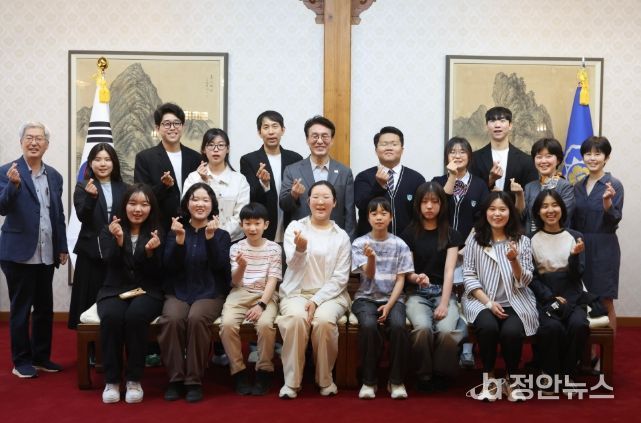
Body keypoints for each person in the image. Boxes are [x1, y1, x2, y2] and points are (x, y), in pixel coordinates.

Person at [0, 121, 68, 378]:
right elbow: (2, 208)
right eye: (29, 138)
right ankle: (21, 361)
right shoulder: (7, 171)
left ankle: (41, 357)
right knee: (21, 309)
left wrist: (62, 246)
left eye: (39, 138)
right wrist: (13, 185)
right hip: (18, 253)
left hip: (46, 252)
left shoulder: (55, 176)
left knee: (44, 309)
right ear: (21, 142)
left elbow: (58, 214)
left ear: (46, 145)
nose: (34, 142)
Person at [277, 181, 351, 399]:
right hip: (297, 293)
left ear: (334, 203)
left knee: (324, 322)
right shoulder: (295, 228)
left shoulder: (341, 236)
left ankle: (325, 379)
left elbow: (340, 278)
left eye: (326, 197)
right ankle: (292, 382)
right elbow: (292, 265)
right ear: (308, 201)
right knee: (296, 319)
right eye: (315, 197)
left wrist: (317, 300)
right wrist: (300, 250)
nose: (320, 202)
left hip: (331, 296)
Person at [158, 182, 231, 403]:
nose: (200, 204)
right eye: (195, 199)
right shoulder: (175, 230)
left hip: (210, 292)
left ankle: (193, 380)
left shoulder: (222, 235)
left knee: (197, 318)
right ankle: (175, 378)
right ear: (187, 204)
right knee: (172, 319)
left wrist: (210, 239)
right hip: (178, 291)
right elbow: (169, 267)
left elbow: (220, 267)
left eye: (205, 200)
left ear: (212, 205)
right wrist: (179, 242)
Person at [462, 191, 538, 402]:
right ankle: (489, 378)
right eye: (492, 209)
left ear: (510, 212)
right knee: (488, 328)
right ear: (485, 212)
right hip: (481, 301)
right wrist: (488, 303)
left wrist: (514, 261)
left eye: (502, 209)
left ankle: (511, 380)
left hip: (516, 300)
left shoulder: (522, 241)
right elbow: (468, 275)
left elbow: (526, 280)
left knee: (511, 332)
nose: (497, 214)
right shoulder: (475, 240)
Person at [97, 184, 163, 404]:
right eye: (132, 203)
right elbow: (109, 262)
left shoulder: (158, 232)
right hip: (114, 289)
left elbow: (160, 272)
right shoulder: (109, 230)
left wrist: (151, 253)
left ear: (151, 208)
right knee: (111, 317)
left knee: (136, 316)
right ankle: (112, 381)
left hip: (147, 289)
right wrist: (118, 241)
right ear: (124, 205)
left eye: (144, 204)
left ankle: (134, 379)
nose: (138, 209)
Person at [400, 182, 464, 392]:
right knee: (422, 328)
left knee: (447, 331)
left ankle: (442, 373)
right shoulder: (409, 234)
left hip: (443, 292)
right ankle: (424, 374)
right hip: (416, 294)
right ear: (418, 205)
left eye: (434, 202)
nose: (429, 206)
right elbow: (407, 272)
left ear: (441, 205)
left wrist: (444, 303)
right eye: (425, 202)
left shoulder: (452, 235)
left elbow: (449, 271)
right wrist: (416, 277)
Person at [432, 137, 489, 368]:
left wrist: (467, 245)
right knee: (445, 296)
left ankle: (467, 347)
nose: (457, 155)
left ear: (469, 156)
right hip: (441, 248)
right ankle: (443, 343)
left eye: (462, 151)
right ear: (446, 156)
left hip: (469, 249)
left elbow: (483, 218)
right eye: (453, 151)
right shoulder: (437, 182)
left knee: (468, 297)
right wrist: (452, 176)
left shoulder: (480, 185)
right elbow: (439, 205)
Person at [351, 197, 413, 399]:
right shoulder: (359, 243)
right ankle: (369, 381)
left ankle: (396, 381)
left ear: (391, 217)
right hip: (365, 298)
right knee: (369, 326)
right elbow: (369, 275)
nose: (379, 217)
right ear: (368, 217)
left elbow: (401, 280)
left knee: (398, 326)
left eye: (383, 213)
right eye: (374, 213)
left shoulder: (400, 244)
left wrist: (389, 305)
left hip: (393, 298)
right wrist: (371, 258)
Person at [529, 190, 588, 393]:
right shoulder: (531, 239)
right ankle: (549, 373)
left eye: (554, 205)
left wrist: (574, 256)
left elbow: (578, 274)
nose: (550, 210)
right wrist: (550, 297)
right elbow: (531, 277)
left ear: (562, 208)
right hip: (544, 295)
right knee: (552, 327)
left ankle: (568, 373)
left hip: (572, 294)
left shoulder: (576, 237)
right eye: (544, 206)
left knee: (579, 324)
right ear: (538, 211)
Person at [220, 202, 281, 395]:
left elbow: (273, 280)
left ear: (266, 225)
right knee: (227, 325)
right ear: (241, 225)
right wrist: (242, 266)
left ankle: (264, 370)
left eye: (257, 223)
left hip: (265, 294)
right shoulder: (236, 248)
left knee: (265, 325)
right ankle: (238, 371)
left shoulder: (274, 248)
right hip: (240, 293)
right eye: (247, 223)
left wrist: (261, 304)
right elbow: (234, 281)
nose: (252, 228)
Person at [68, 143, 126, 329]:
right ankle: (89, 343)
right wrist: (91, 198)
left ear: (114, 163)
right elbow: (82, 216)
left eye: (107, 159)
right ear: (90, 163)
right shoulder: (83, 186)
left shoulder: (124, 188)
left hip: (116, 252)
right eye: (98, 159)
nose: (103, 164)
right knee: (88, 301)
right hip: (90, 253)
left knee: (113, 301)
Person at [572, 136, 623, 331]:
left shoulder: (614, 185)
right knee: (583, 300)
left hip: (604, 248)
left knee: (605, 300)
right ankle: (586, 348)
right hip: (581, 247)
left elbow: (614, 219)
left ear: (606, 158)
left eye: (598, 154)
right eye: (588, 154)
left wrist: (607, 202)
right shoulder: (578, 186)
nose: (592, 158)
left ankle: (607, 349)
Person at [280, 115, 356, 239]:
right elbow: (284, 206)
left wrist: (349, 243)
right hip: (302, 238)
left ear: (332, 140)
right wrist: (293, 195)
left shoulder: (344, 172)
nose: (320, 141)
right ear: (307, 140)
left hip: (334, 239)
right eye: (315, 136)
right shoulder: (292, 170)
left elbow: (349, 214)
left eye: (325, 136)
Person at [134, 102, 201, 231]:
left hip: (191, 227)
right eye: (166, 124)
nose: (172, 128)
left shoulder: (195, 158)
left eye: (176, 123)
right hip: (159, 227)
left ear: (183, 127)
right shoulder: (145, 158)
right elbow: (142, 197)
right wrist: (163, 186)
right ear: (157, 128)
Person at [240, 111, 303, 242]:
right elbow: (249, 197)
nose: (271, 132)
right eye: (266, 127)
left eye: (275, 126)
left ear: (283, 130)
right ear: (259, 132)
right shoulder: (249, 160)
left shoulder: (295, 159)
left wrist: (295, 194)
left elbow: (300, 199)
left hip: (291, 226)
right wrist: (263, 184)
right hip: (263, 229)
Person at [354, 126, 425, 236]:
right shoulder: (363, 177)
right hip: (371, 242)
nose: (389, 148)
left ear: (402, 150)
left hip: (407, 242)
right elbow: (362, 205)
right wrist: (379, 186)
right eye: (384, 144)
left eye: (394, 144)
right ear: (376, 150)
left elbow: (421, 214)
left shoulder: (416, 179)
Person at [183, 128, 250, 242]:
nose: (216, 149)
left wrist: (220, 234)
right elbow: (186, 209)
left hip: (231, 240)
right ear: (204, 149)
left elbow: (241, 215)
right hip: (198, 239)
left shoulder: (239, 180)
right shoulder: (193, 178)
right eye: (211, 145)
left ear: (227, 149)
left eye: (221, 145)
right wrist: (203, 181)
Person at [469, 107, 538, 195]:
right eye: (492, 121)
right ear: (486, 126)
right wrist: (490, 180)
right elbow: (470, 193)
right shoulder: (474, 158)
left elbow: (531, 195)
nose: (497, 125)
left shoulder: (527, 161)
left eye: (502, 121)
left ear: (510, 125)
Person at [515, 138, 575, 235]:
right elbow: (520, 217)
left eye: (548, 156)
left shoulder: (565, 187)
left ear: (558, 160)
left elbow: (564, 218)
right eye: (539, 157)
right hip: (531, 239)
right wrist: (519, 195)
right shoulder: (529, 187)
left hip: (556, 238)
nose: (543, 161)